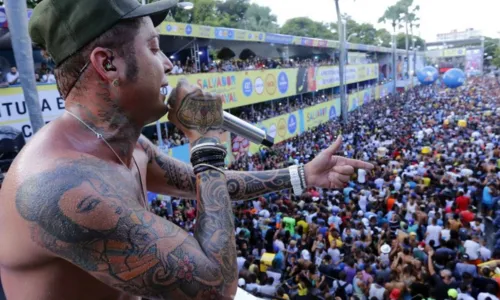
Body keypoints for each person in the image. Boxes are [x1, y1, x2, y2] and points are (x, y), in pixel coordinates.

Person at [0, 1, 373, 300]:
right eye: (153, 48)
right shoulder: (58, 185)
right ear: (107, 63)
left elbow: (196, 183)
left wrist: (303, 175)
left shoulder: (129, 146)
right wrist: (204, 141)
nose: (168, 65)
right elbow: (217, 287)